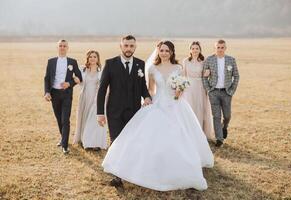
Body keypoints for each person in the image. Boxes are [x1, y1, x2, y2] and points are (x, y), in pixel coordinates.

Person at [102, 41, 214, 191]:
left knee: (179, 135)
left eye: (167, 50)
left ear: (172, 52)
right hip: (158, 103)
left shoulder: (178, 68)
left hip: (176, 105)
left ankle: (179, 167)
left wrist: (179, 90)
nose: (164, 53)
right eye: (162, 50)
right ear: (158, 51)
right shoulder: (152, 69)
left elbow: (180, 89)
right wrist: (148, 99)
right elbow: (150, 89)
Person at [97, 35, 152, 186]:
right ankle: (117, 176)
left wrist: (147, 97)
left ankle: (129, 171)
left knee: (131, 142)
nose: (128, 49)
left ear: (135, 47)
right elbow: (102, 90)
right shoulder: (110, 63)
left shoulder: (140, 64)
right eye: (126, 46)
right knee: (116, 141)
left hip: (134, 111)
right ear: (120, 46)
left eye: (131, 46)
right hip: (114, 111)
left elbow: (143, 86)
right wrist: (100, 113)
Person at [44, 39, 82, 154]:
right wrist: (47, 92)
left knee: (65, 119)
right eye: (60, 46)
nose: (62, 47)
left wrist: (69, 83)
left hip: (66, 94)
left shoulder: (72, 62)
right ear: (57, 48)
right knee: (59, 118)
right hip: (54, 94)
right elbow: (47, 78)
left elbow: (79, 77)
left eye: (64, 46)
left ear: (67, 48)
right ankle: (63, 139)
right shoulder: (51, 61)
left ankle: (65, 146)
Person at [202, 39, 240, 147]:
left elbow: (236, 76)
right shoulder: (209, 60)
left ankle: (224, 127)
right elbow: (204, 76)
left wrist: (232, 90)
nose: (220, 49)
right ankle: (219, 139)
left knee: (227, 115)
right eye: (218, 47)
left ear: (225, 48)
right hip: (214, 92)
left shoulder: (231, 60)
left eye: (222, 47)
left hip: (226, 92)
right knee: (216, 116)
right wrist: (209, 89)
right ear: (215, 48)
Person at [73, 50, 108, 150]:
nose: (92, 58)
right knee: (84, 118)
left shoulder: (101, 72)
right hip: (84, 97)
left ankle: (94, 142)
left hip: (96, 98)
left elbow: (105, 86)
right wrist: (75, 80)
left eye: (95, 57)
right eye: (90, 57)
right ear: (87, 59)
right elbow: (78, 81)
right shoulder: (82, 70)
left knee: (94, 120)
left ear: (98, 59)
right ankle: (84, 139)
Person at [182, 41, 214, 140]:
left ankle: (199, 133)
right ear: (190, 50)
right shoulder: (186, 61)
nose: (195, 50)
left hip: (200, 87)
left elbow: (205, 75)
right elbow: (183, 76)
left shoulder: (203, 62)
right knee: (190, 109)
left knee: (200, 108)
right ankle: (190, 132)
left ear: (200, 50)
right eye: (193, 48)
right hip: (188, 88)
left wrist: (207, 73)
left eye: (197, 48)